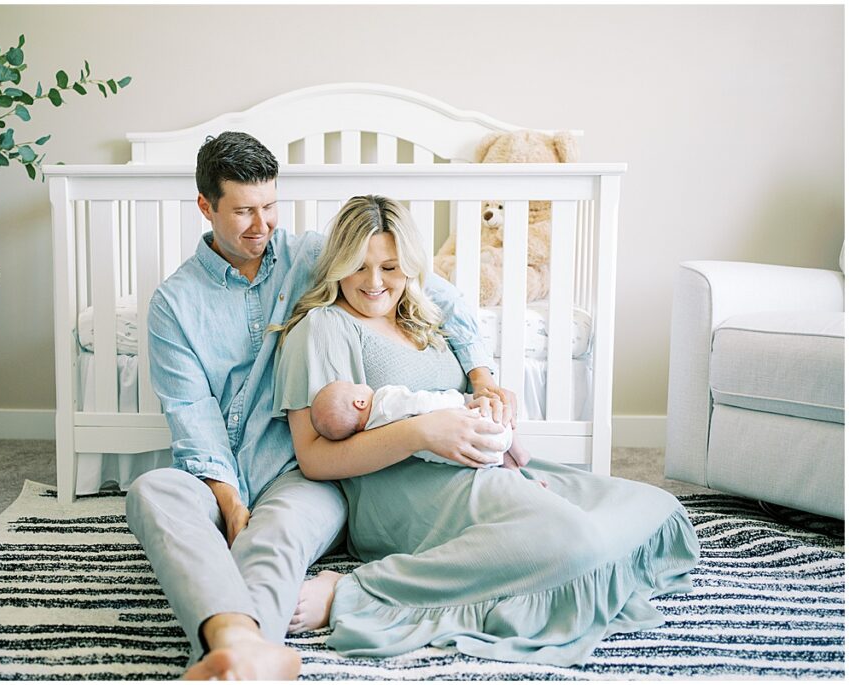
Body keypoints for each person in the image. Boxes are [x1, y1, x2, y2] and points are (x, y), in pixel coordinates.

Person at [125, 133, 510, 680]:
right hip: (220, 473)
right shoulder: (174, 303)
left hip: (299, 471)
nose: (261, 225)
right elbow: (193, 415)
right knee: (151, 492)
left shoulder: (311, 255)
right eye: (243, 212)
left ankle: (235, 651)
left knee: (275, 538)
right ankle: (237, 640)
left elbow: (431, 289)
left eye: (270, 207)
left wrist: (480, 373)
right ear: (206, 207)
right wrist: (228, 500)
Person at [273, 195, 700, 666]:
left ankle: (538, 544)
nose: (374, 283)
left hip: (486, 469)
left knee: (658, 507)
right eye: (359, 266)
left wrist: (490, 399)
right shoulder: (323, 328)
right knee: (578, 545)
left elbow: (463, 389)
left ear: (410, 266)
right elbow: (314, 458)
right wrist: (421, 432)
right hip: (408, 491)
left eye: (390, 268)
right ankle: (358, 589)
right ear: (338, 265)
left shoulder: (425, 318)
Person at [310, 380, 535, 469]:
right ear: (359, 402)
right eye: (354, 384)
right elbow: (423, 401)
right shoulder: (385, 401)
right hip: (478, 426)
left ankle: (511, 469)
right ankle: (520, 453)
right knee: (496, 414)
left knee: (495, 452)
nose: (360, 382)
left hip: (473, 457)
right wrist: (459, 400)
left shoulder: (375, 434)